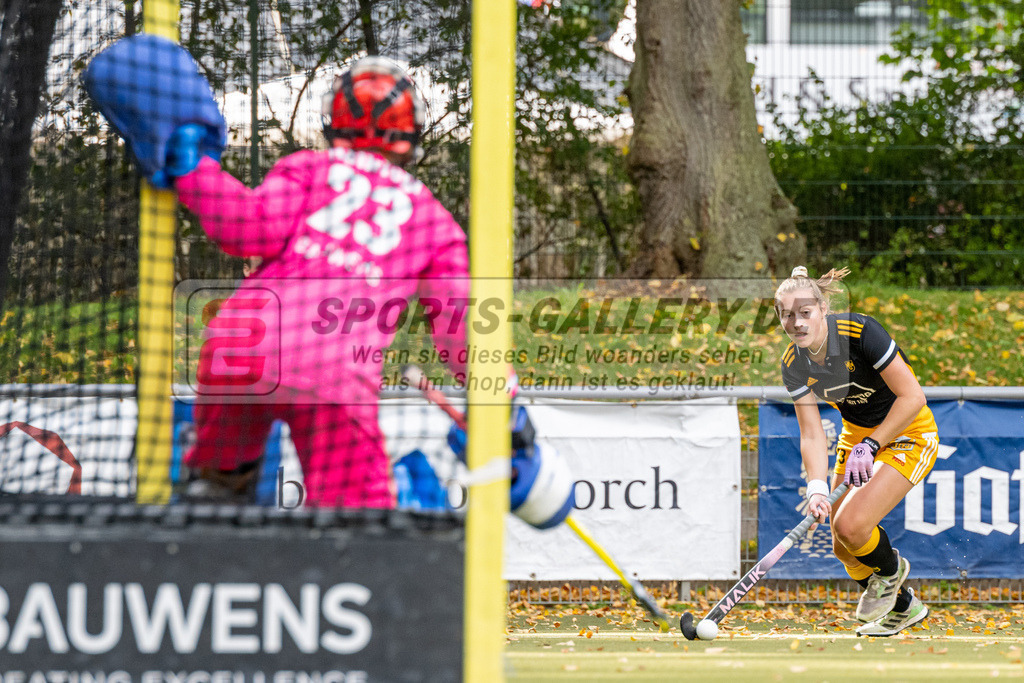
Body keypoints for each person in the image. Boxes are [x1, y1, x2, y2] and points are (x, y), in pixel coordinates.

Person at [166, 57, 469, 508]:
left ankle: (211, 512)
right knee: (359, 526)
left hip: (241, 347)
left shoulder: (307, 169)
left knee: (216, 487)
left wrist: (192, 168)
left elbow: (245, 228)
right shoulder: (433, 221)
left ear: (335, 120)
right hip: (332, 371)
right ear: (410, 136)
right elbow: (457, 327)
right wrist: (508, 405)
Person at [775, 266, 936, 637]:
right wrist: (816, 486)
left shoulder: (861, 332)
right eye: (787, 315)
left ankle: (891, 571)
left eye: (805, 313)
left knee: (852, 525)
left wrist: (873, 444)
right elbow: (812, 434)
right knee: (843, 546)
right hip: (857, 439)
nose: (796, 323)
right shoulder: (792, 364)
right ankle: (904, 607)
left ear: (823, 308)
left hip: (908, 432)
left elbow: (913, 397)